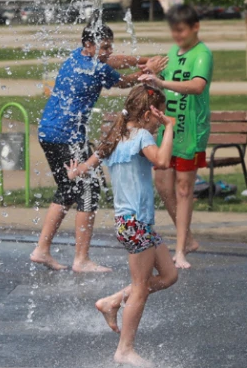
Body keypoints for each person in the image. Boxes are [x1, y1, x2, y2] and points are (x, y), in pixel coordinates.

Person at [30, 23, 167, 273]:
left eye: (109, 46)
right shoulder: (94, 71)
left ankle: (42, 249)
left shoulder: (78, 56)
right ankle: (80, 259)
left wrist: (144, 59)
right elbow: (125, 82)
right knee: (88, 189)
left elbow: (114, 61)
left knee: (69, 189)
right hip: (66, 136)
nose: (108, 51)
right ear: (89, 45)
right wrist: (149, 69)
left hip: (50, 131)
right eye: (104, 47)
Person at [65, 85, 178, 367]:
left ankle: (112, 300)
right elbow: (162, 162)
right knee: (141, 288)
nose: (161, 119)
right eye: (159, 113)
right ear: (149, 113)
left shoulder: (114, 138)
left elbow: (84, 169)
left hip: (135, 224)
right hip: (134, 223)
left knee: (168, 275)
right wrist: (170, 128)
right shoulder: (140, 136)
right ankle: (124, 350)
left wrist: (73, 171)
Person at [140, 4, 213, 269]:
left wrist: (162, 83)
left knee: (184, 188)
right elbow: (157, 83)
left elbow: (196, 86)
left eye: (181, 30)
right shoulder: (172, 52)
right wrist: (152, 73)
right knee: (162, 184)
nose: (177, 36)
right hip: (167, 128)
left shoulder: (202, 53)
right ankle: (189, 238)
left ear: (195, 27)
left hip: (191, 130)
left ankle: (180, 250)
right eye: (174, 31)